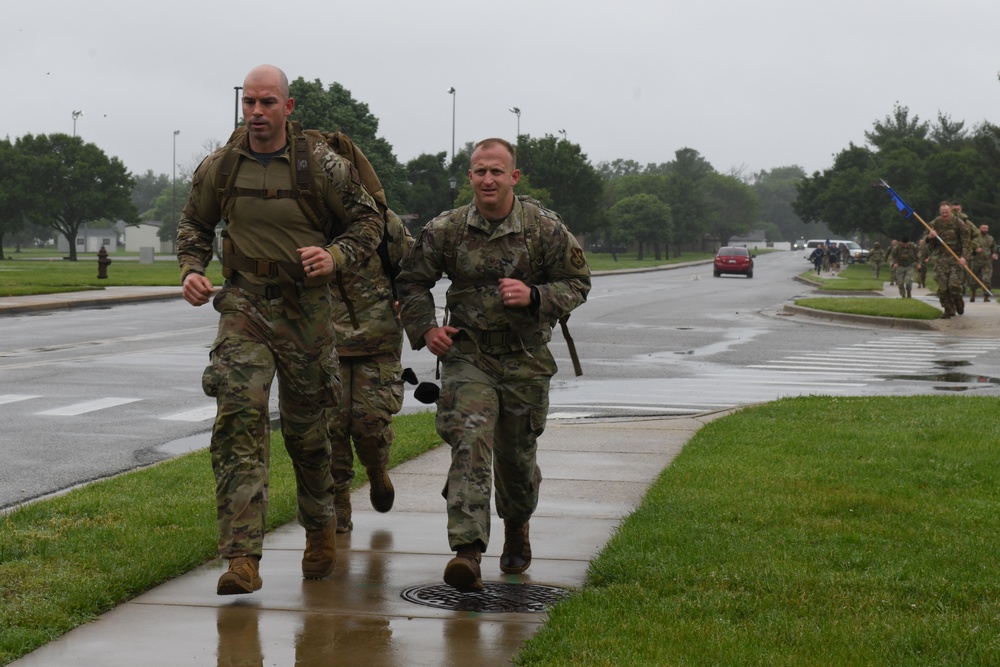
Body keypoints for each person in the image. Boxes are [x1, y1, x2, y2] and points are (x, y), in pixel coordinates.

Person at [176, 64, 384, 595]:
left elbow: (370, 223)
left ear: (288, 108)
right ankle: (242, 556)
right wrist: (192, 269)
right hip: (244, 305)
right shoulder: (220, 168)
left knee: (308, 432)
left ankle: (319, 530)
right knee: (238, 421)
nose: (257, 113)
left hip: (306, 311)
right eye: (249, 103)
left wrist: (334, 255)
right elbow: (194, 224)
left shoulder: (323, 166)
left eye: (268, 103)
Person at [395, 138, 591, 592]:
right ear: (470, 177)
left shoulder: (543, 228)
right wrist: (427, 331)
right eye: (480, 171)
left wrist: (536, 296)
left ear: (513, 177)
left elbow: (578, 282)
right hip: (469, 356)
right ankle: (467, 551)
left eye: (497, 172)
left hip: (524, 358)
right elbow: (411, 281)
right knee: (470, 442)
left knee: (517, 461)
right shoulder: (446, 229)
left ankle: (517, 525)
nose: (488, 179)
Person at [327, 209, 412, 533]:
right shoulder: (308, 219)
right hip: (325, 339)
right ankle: (339, 505)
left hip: (377, 339)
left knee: (369, 423)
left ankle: (376, 469)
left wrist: (407, 299)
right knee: (330, 427)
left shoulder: (383, 222)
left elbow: (414, 269)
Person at [927, 200, 968, 318]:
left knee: (954, 286)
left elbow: (966, 241)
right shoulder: (935, 223)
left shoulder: (958, 223)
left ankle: (958, 299)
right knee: (943, 289)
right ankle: (947, 310)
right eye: (942, 212)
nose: (945, 215)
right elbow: (926, 240)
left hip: (955, 259)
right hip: (941, 260)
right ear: (940, 212)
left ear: (950, 211)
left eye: (947, 212)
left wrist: (964, 257)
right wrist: (930, 237)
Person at [969, 224, 997, 302]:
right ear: (979, 228)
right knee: (974, 279)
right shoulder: (975, 238)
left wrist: (994, 253)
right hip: (976, 261)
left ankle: (986, 296)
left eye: (986, 228)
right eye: (983, 228)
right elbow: (969, 248)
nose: (985, 229)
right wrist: (975, 250)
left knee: (986, 279)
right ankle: (973, 294)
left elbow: (994, 246)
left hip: (987, 261)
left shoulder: (990, 238)